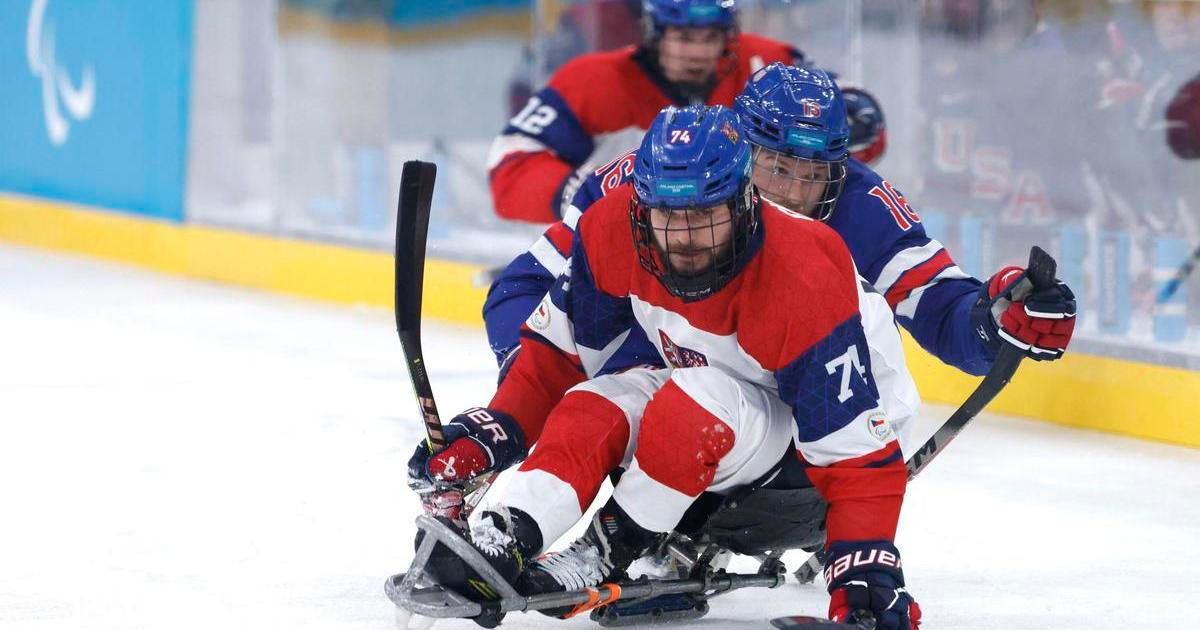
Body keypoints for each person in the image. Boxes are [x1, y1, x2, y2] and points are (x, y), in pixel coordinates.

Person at [411, 105, 922, 628]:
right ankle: (508, 532)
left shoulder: (802, 275)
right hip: (723, 407)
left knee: (698, 399)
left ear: (745, 202)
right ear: (640, 206)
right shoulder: (611, 230)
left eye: (704, 215)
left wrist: (866, 576)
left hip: (822, 467)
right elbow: (556, 359)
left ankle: (603, 551)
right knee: (595, 402)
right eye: (667, 215)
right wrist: (496, 431)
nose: (683, 236)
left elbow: (854, 454)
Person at [484, 62, 1078, 381]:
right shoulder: (666, 174)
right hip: (654, 381)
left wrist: (996, 319)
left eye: (814, 172)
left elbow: (941, 308)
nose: (795, 191)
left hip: (784, 415)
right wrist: (528, 378)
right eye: (777, 166)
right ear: (741, 149)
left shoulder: (861, 203)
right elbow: (522, 285)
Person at [487, 0, 887, 223]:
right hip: (630, 252)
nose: (697, 52)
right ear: (653, 33)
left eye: (710, 37)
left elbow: (858, 124)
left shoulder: (763, 64)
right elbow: (510, 169)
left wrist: (850, 121)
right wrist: (577, 198)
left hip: (751, 251)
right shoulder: (593, 81)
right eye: (682, 36)